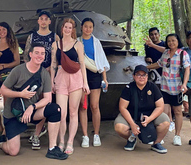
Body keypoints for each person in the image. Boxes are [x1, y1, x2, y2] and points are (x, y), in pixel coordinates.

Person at [0, 43, 68, 160]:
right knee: (13, 151)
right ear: (30, 54)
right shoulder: (18, 70)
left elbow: (47, 99)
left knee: (55, 109)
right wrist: (20, 94)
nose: (40, 56)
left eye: (42, 53)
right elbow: (3, 90)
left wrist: (32, 107)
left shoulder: (44, 74)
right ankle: (0, 143)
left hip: (31, 111)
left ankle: (52, 148)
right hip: (14, 113)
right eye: (37, 53)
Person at [51, 18, 89, 155]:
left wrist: (85, 82)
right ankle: (61, 141)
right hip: (61, 77)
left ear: (72, 30)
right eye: (65, 27)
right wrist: (51, 81)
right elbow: (53, 64)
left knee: (73, 112)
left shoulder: (78, 45)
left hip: (76, 77)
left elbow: (82, 64)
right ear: (62, 28)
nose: (67, 29)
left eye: (70, 27)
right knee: (61, 113)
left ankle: (70, 142)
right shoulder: (55, 44)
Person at [23, 10, 59, 148]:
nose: (43, 21)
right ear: (38, 21)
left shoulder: (54, 37)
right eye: (41, 19)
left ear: (50, 21)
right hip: (33, 73)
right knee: (34, 100)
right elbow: (26, 54)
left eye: (46, 19)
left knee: (45, 102)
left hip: (48, 73)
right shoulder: (32, 37)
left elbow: (56, 56)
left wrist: (52, 72)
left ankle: (37, 134)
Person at [114, 65, 170, 153]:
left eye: (144, 75)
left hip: (150, 115)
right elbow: (122, 107)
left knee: (165, 122)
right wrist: (132, 124)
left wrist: (150, 119)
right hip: (131, 115)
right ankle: (132, 138)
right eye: (138, 75)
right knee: (119, 127)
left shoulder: (153, 87)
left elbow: (160, 106)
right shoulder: (128, 88)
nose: (141, 77)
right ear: (133, 76)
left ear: (147, 76)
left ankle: (156, 143)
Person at [147, 33, 190, 146]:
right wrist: (145, 68)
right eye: (169, 41)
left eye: (173, 41)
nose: (171, 43)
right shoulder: (165, 53)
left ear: (177, 42)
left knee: (177, 112)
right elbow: (159, 64)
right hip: (165, 87)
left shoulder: (182, 54)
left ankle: (177, 135)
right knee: (164, 112)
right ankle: (162, 136)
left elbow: (187, 70)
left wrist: (184, 84)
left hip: (177, 88)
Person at [77, 17, 110, 148]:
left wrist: (105, 78)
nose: (88, 29)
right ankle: (85, 135)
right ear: (81, 27)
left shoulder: (96, 42)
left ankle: (96, 134)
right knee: (83, 106)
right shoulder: (77, 42)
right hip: (80, 75)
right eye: (85, 26)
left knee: (94, 106)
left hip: (95, 75)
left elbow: (101, 61)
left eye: (90, 27)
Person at [0, 22, 21, 138]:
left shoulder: (13, 43)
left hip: (9, 76)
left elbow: (17, 61)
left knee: (7, 106)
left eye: (3, 29)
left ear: (8, 30)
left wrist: (3, 66)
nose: (1, 32)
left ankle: (7, 130)